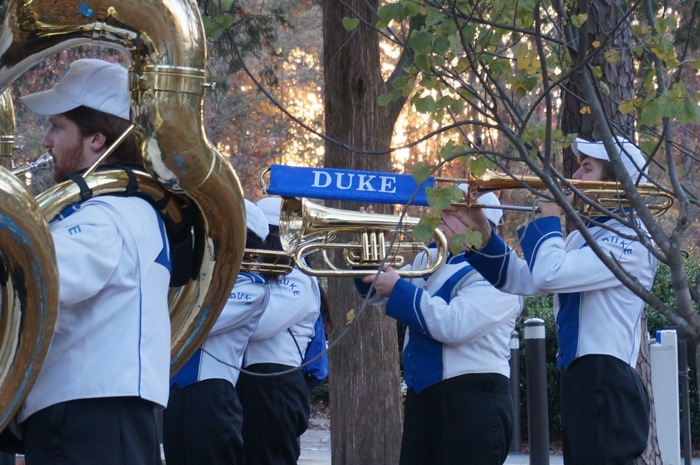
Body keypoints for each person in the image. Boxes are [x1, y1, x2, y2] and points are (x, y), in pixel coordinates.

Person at [444, 136, 655, 465]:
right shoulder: (582, 238)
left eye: (587, 168)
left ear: (616, 182)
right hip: (583, 376)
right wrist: (481, 233)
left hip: (606, 375)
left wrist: (550, 217)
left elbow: (549, 274)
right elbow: (520, 279)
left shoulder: (633, 239)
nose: (576, 177)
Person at [17, 58, 171, 465]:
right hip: (98, 416)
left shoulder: (104, 216)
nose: (47, 141)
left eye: (58, 127)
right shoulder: (130, 210)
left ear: (97, 139)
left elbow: (39, 280)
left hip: (84, 421)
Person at [354, 191, 523, 465]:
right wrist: (369, 250)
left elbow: (453, 325)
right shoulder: (429, 259)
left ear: (481, 222)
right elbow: (377, 294)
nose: (442, 217)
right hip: (426, 396)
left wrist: (399, 288)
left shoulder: (499, 272)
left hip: (472, 400)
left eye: (454, 213)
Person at [162, 199, 271, 465]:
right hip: (174, 393)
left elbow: (198, 320)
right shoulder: (189, 282)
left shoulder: (253, 287)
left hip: (211, 397)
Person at [235, 196, 321, 465]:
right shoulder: (253, 272)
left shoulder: (298, 275)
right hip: (245, 380)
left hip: (274, 382)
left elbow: (260, 325)